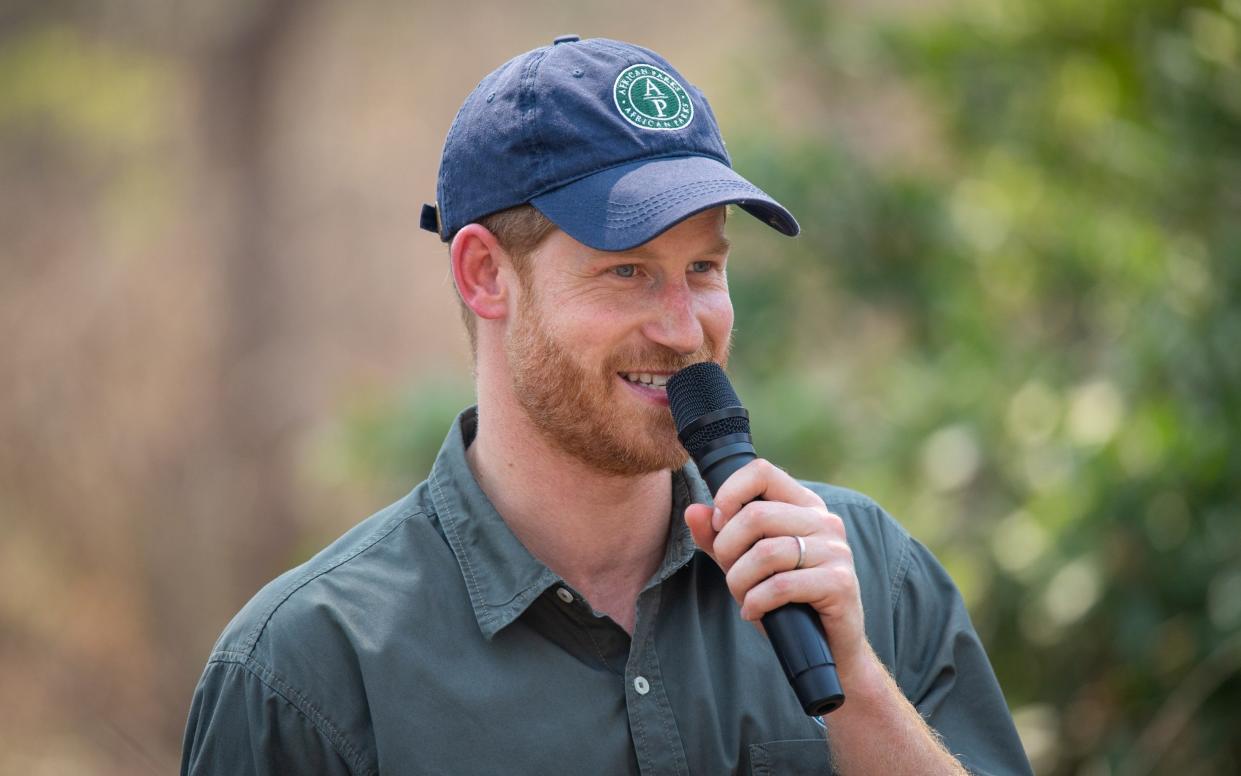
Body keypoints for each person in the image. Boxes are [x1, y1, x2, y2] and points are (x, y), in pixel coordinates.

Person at [181, 36, 1032, 775]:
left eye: (704, 268)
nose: (683, 327)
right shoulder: (306, 671)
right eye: (628, 270)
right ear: (483, 274)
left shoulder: (870, 576)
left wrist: (859, 690)